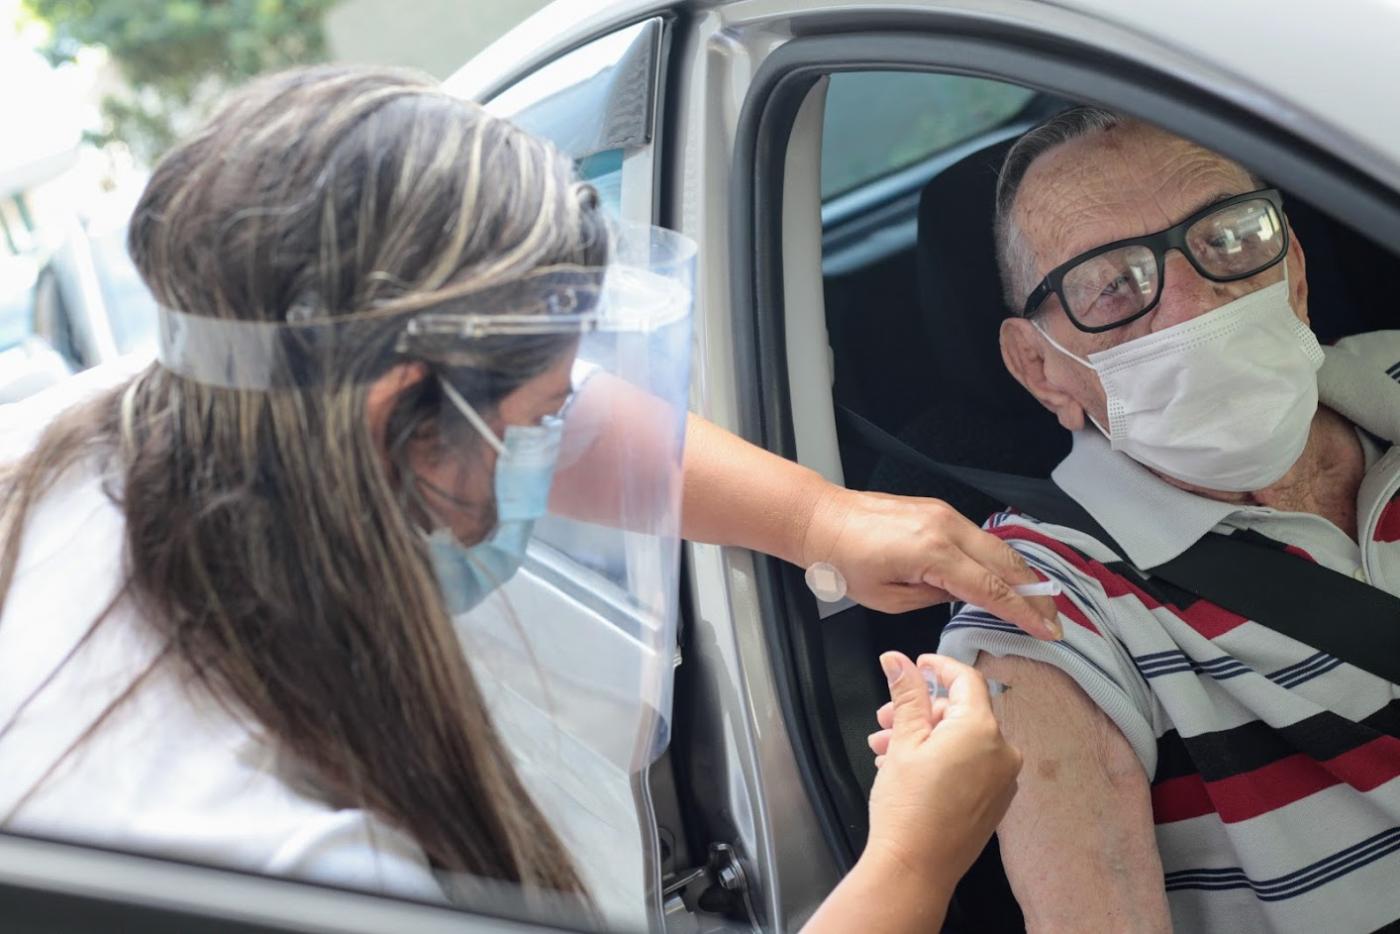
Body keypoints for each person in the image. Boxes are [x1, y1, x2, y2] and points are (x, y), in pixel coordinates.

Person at [0, 66, 1028, 928]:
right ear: (399, 413)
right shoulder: (288, 863)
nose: (557, 431)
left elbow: (536, 395)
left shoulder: (195, 397)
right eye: (534, 415)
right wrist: (911, 861)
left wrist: (818, 519)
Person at [871, 106, 1400, 932]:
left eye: (1228, 239)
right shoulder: (1040, 606)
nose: (1192, 307)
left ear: (1293, 272)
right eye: (1111, 285)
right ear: (1041, 369)